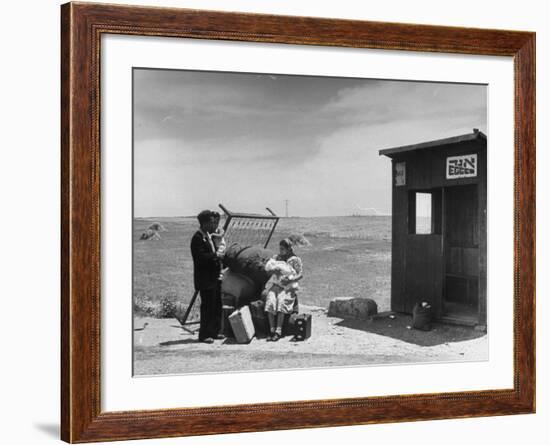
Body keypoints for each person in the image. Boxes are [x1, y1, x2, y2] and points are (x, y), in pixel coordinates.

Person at [190, 210, 225, 344]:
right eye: (211, 222)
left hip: (214, 277)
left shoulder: (208, 236)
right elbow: (200, 258)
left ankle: (215, 332)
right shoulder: (197, 238)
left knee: (216, 305)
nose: (214, 224)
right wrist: (215, 256)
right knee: (207, 307)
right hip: (205, 279)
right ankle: (204, 335)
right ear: (204, 223)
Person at [263, 238, 303, 341]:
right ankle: (271, 330)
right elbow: (268, 271)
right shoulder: (277, 258)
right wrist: (273, 271)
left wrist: (289, 280)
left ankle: (278, 331)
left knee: (281, 302)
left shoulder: (295, 260)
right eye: (280, 248)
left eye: (282, 249)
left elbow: (300, 275)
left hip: (288, 286)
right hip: (276, 285)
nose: (280, 251)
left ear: (288, 249)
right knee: (270, 302)